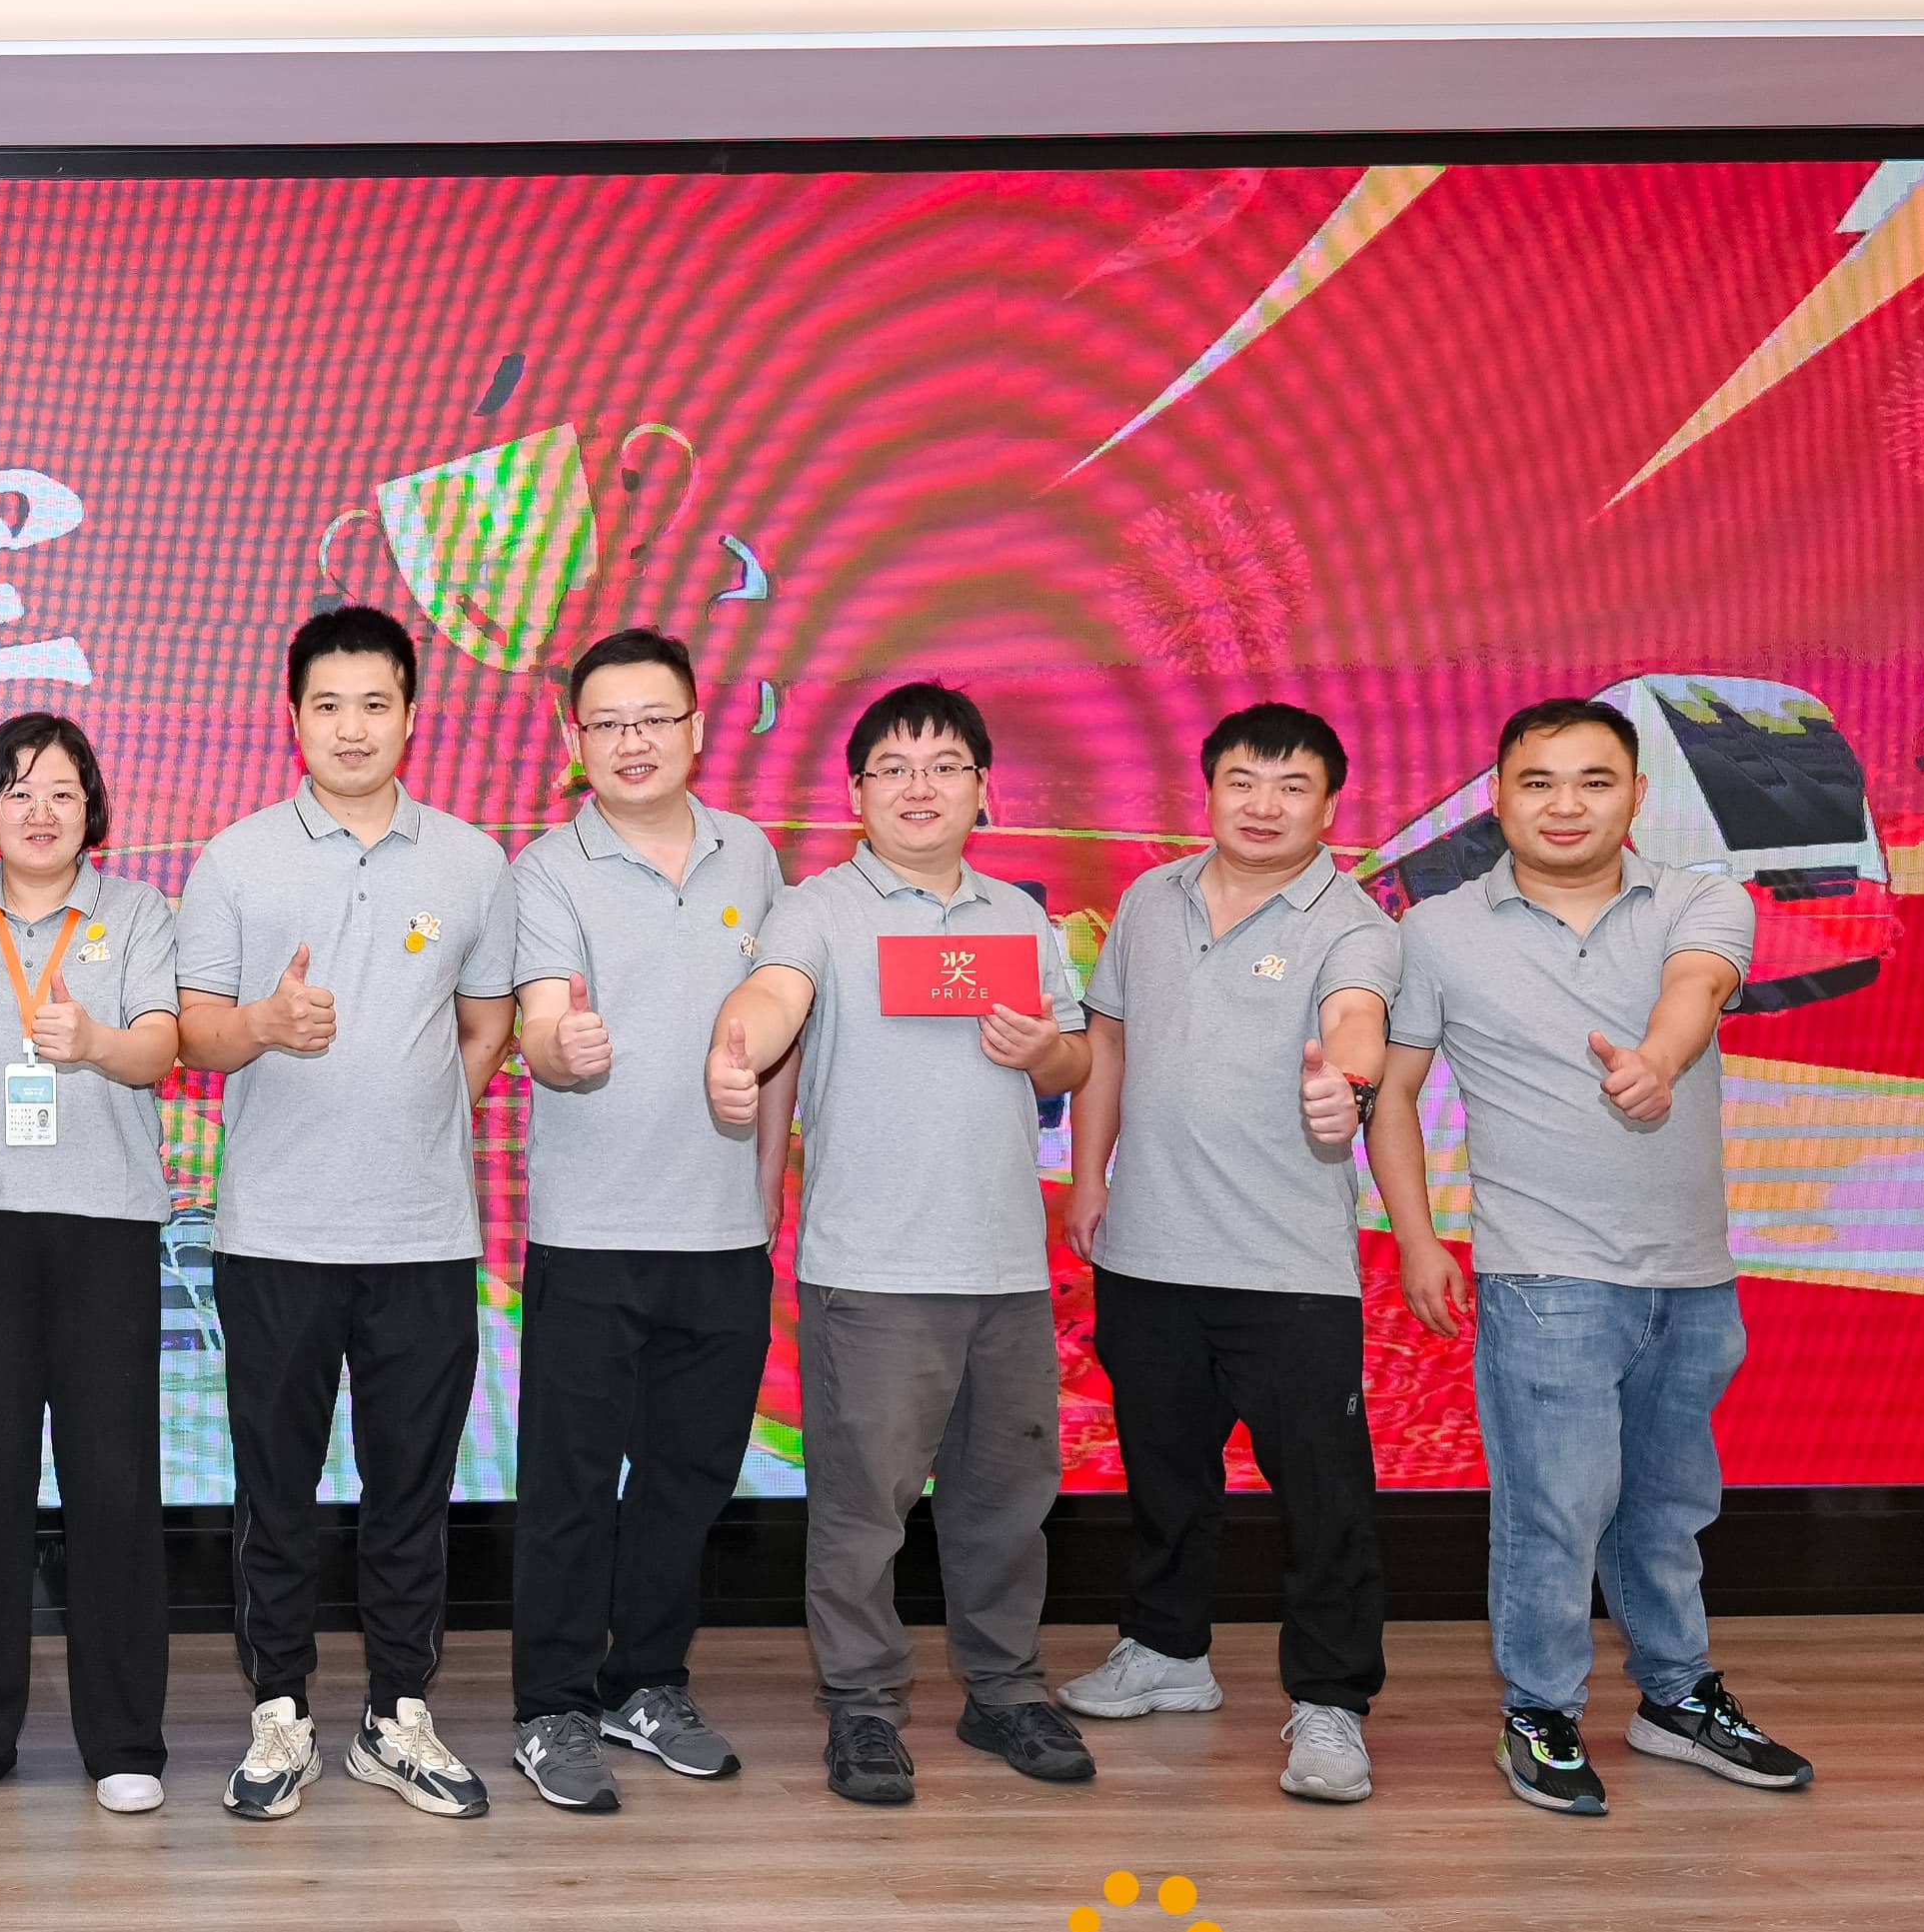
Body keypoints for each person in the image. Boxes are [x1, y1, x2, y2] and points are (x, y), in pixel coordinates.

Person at [1369, 697, 1814, 1815]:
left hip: (1692, 1274)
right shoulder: (1437, 929)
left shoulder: (1700, 899)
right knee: (1553, 1512)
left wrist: (1657, 1062)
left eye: (1593, 780)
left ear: (1635, 797)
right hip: (1544, 1274)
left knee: (1668, 1507)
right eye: (1538, 781)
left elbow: (1696, 988)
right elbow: (1396, 1092)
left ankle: (1676, 1697)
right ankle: (1539, 1711)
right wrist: (1417, 1238)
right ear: (1499, 797)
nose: (1565, 804)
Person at [706, 679, 1094, 1807]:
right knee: (863, 1510)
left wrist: (1043, 1052)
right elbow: (773, 996)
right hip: (872, 1270)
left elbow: (1073, 1058)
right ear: (856, 793)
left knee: (1006, 1501)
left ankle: (1004, 1689)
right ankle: (864, 1707)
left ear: (982, 788)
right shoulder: (818, 909)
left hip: (1005, 1269)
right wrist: (737, 1044)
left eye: (942, 767)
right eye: (892, 768)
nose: (918, 787)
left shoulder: (1019, 918)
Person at [176, 603, 515, 1821]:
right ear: (295, 719)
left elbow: (486, 1023)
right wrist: (264, 1025)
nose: (352, 727)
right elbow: (195, 1032)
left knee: (408, 1489)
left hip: (422, 1235)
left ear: (411, 715)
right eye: (328, 705)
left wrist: (415, 1116)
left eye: (375, 703)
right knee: (275, 1490)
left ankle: (395, 1715)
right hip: (274, 1233)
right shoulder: (235, 859)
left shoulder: (473, 862)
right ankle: (279, 1712)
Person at [1059, 702, 1398, 1805]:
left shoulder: (1355, 923)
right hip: (1147, 1250)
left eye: (1292, 786)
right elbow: (1108, 1041)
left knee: (1323, 1497)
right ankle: (1167, 1651)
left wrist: (1344, 1085)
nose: (1263, 805)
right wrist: (1090, 1176)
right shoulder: (1149, 899)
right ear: (1206, 790)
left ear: (1329, 805)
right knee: (1164, 1472)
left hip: (1286, 1270)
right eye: (1243, 781)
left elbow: (1355, 1020)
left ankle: (1331, 1703)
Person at [501, 629, 791, 1815]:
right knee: (568, 1483)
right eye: (607, 723)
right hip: (591, 1232)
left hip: (722, 1234)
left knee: (687, 1480)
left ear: (696, 729)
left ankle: (647, 1684)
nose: (632, 742)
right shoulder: (545, 871)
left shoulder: (751, 857)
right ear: (574, 739)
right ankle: (551, 1704)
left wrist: (765, 1194)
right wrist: (558, 1048)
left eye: (653, 719)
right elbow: (538, 1024)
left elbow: (775, 1030)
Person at [0, 714, 178, 1816]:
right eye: (18, 790)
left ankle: (124, 1740)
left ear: (91, 809)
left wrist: (96, 1043)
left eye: (62, 791)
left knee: (113, 1485)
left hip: (106, 1225)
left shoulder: (138, 912)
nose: (40, 810)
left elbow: (160, 1045)